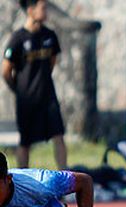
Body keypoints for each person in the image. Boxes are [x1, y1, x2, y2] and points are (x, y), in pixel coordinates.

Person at [2, 0, 67, 170]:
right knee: (25, 141)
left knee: (58, 135)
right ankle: (22, 181)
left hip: (48, 97)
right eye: (42, 8)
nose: (46, 11)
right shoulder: (17, 39)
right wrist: (19, 90)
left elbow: (52, 62)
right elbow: (6, 71)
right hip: (27, 100)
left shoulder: (50, 36)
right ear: (31, 11)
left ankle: (66, 181)